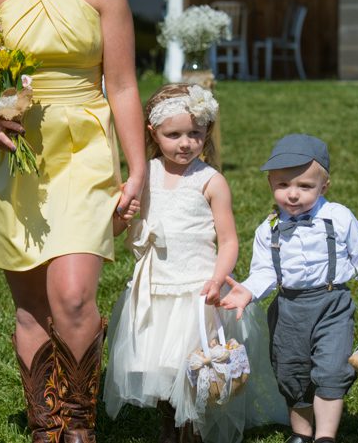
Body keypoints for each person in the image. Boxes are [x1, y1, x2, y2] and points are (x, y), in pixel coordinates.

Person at [0, 0, 145, 443]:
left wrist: (139, 167)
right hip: (16, 155)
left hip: (85, 148)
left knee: (72, 296)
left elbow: (120, 84)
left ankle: (81, 423)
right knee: (32, 309)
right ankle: (48, 427)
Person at [103, 84, 286, 443]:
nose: (185, 143)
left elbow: (228, 240)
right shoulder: (145, 176)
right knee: (158, 364)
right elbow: (113, 228)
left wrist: (218, 279)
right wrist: (126, 215)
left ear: (206, 134)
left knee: (193, 365)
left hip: (197, 290)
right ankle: (169, 426)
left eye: (195, 134)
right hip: (155, 289)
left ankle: (192, 429)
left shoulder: (211, 181)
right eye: (174, 135)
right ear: (153, 133)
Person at [220, 134, 358, 443]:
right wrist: (248, 291)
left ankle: (325, 437)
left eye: (304, 186)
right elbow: (265, 270)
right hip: (288, 308)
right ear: (270, 185)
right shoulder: (269, 228)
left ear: (324, 187)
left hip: (332, 304)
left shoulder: (338, 217)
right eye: (283, 185)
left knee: (332, 369)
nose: (293, 195)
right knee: (292, 372)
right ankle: (301, 435)